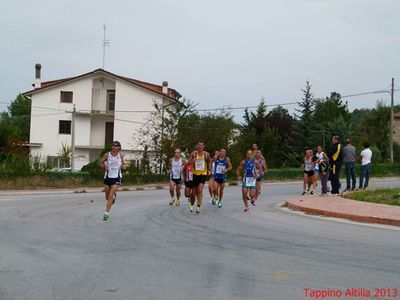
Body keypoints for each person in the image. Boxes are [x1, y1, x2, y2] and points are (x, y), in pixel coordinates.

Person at [99, 141, 126, 221]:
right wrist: (104, 167)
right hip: (107, 177)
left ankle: (106, 213)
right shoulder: (107, 155)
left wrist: (123, 166)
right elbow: (100, 163)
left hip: (117, 177)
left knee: (110, 194)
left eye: (116, 146)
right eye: (113, 145)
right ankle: (113, 197)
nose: (114, 147)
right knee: (107, 197)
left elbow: (123, 165)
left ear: (119, 147)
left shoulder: (121, 155)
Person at [188, 141, 211, 213]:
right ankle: (191, 204)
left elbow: (209, 162)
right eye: (199, 146)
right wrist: (192, 161)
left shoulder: (206, 154)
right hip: (195, 174)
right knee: (193, 193)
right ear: (197, 146)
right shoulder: (193, 154)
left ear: (203, 146)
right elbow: (188, 163)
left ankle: (198, 206)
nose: (200, 147)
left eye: (201, 146)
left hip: (203, 174)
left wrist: (209, 170)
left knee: (200, 190)